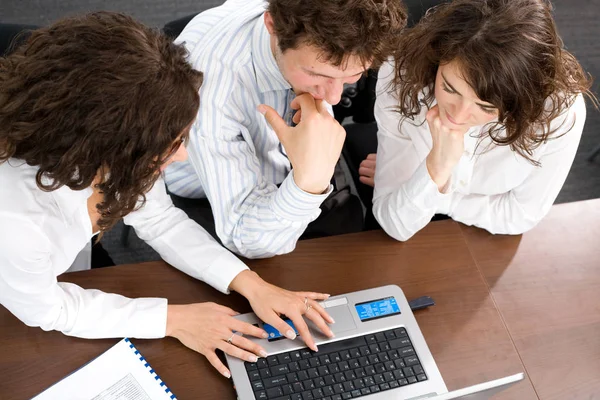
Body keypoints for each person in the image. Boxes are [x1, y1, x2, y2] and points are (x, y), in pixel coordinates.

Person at [0, 12, 335, 380]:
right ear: (110, 144)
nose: (182, 156)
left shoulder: (111, 150)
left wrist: (252, 285)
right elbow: (49, 310)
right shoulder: (15, 224)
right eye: (174, 143)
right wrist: (175, 319)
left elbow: (159, 220)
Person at [164, 0, 408, 258]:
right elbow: (246, 238)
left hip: (296, 158)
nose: (334, 97)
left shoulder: (335, 32)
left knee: (355, 254)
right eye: (317, 74)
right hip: (208, 189)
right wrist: (308, 184)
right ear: (272, 26)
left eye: (352, 75)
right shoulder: (212, 94)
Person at [358, 0, 595, 241]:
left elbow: (521, 215)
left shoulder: (560, 112)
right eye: (449, 88)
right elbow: (394, 223)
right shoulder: (402, 70)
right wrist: (437, 166)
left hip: (484, 244)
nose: (457, 116)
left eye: (485, 106)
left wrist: (429, 187)